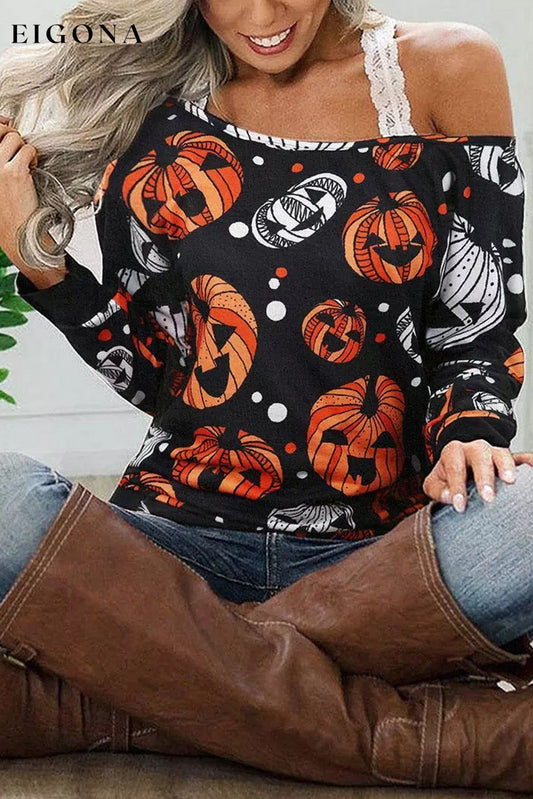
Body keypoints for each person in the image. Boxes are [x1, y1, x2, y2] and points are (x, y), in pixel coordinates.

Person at [0, 0, 532, 789]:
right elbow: (161, 376)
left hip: (381, 557)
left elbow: (475, 324)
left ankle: (130, 699)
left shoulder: (447, 67)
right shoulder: (153, 107)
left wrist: (470, 432)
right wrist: (41, 265)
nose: (262, 13)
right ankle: (354, 720)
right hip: (173, 542)